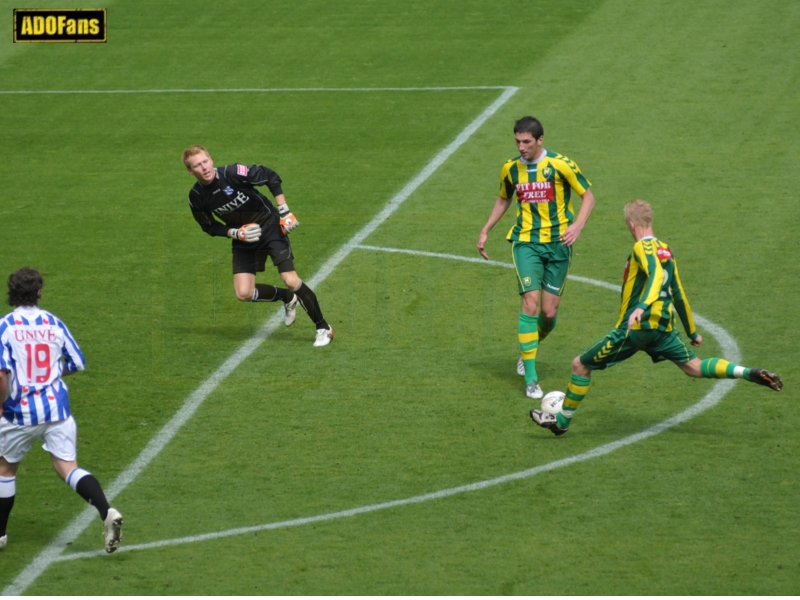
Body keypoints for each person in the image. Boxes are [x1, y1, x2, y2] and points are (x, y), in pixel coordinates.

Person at [530, 200, 783, 436]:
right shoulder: (666, 249)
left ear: (631, 225)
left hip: (635, 328)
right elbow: (678, 292)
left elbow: (653, 274)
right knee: (694, 367)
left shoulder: (642, 246)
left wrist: (640, 307)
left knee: (579, 365)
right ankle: (748, 372)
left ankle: (560, 423)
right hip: (663, 329)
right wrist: (692, 331)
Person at [0, 267, 123, 552]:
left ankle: (1, 534)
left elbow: (2, 376)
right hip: (57, 410)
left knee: (5, 469)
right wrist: (50, 375)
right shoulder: (54, 323)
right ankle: (106, 512)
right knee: (68, 467)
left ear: (12, 294)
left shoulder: (5, 326)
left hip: (19, 413)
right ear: (39, 293)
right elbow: (77, 362)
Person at [477, 116, 595, 399]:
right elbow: (504, 197)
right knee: (530, 304)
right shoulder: (511, 168)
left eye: (526, 142)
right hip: (526, 243)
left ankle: (529, 346)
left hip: (558, 245)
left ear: (540, 140)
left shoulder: (560, 164)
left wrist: (577, 225)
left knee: (549, 314)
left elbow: (588, 196)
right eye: (517, 141)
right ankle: (531, 378)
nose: (521, 147)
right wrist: (486, 229)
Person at [182, 145, 333, 347]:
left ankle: (323, 328)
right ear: (190, 171)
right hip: (243, 237)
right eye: (197, 166)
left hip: (269, 226)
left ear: (211, 159)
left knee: (290, 279)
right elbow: (208, 226)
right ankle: (287, 298)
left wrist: (284, 211)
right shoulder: (196, 197)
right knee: (243, 293)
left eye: (205, 161)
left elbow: (270, 176)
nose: (204, 168)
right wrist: (234, 233)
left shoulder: (233, 172)